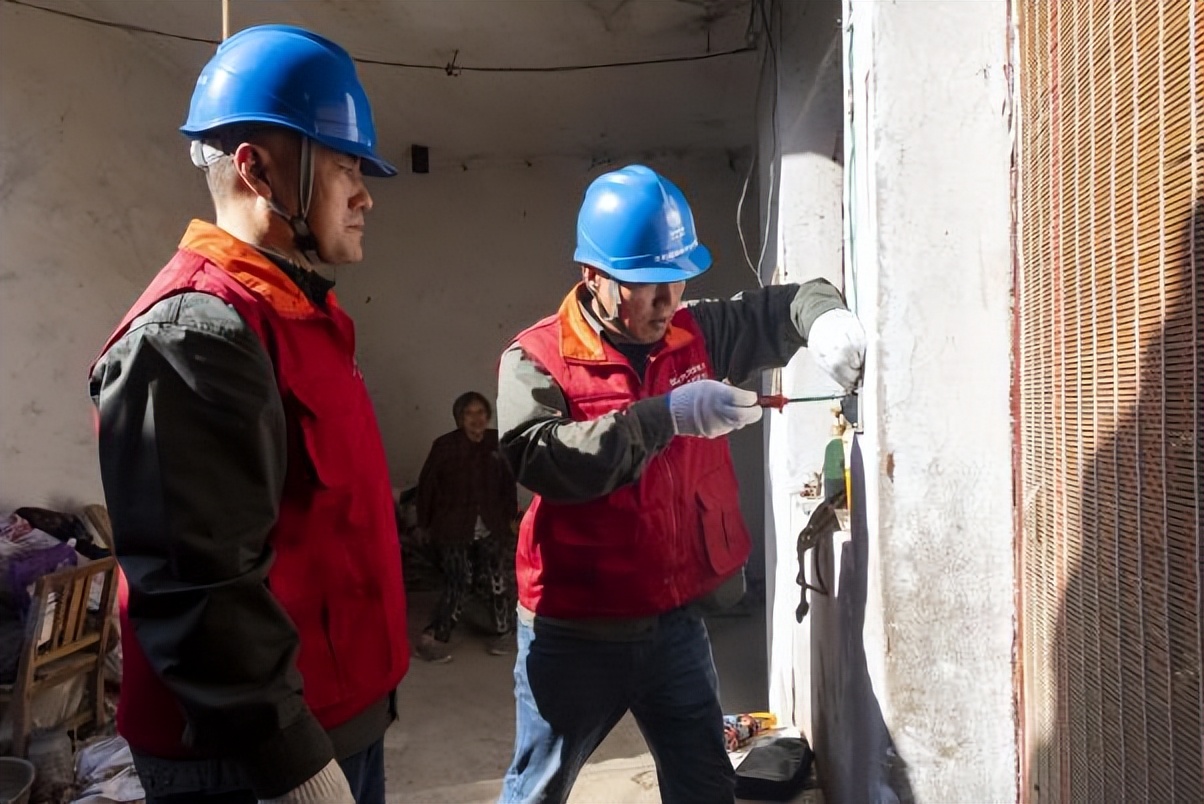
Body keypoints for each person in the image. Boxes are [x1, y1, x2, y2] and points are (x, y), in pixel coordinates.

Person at [89, 25, 408, 804]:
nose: (365, 193)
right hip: (254, 766)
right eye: (343, 167)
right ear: (258, 170)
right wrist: (292, 764)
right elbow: (197, 588)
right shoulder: (194, 334)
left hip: (331, 728)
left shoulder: (296, 315)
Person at [495, 164, 866, 804]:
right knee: (537, 792)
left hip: (672, 628)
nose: (669, 302)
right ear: (594, 278)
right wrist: (662, 417)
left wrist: (825, 321)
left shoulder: (699, 330)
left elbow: (791, 300)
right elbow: (539, 458)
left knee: (705, 789)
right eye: (647, 286)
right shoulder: (535, 358)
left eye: (677, 279)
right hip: (574, 631)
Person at [414, 392, 520, 662]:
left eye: (481, 412)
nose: (477, 419)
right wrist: (423, 524)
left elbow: (508, 485)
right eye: (469, 414)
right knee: (459, 581)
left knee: (497, 581)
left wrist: (510, 517)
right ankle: (436, 636)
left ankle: (503, 631)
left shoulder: (497, 443)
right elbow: (427, 487)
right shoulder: (445, 446)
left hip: (491, 524)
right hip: (453, 527)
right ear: (460, 418)